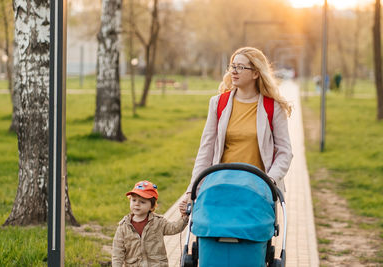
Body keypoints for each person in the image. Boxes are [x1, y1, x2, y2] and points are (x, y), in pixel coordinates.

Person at [183, 47, 293, 203]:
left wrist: (271, 180)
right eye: (232, 66)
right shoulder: (218, 103)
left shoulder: (273, 107)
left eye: (240, 67)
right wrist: (191, 191)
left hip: (259, 192)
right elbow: (206, 150)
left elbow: (285, 152)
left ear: (256, 73)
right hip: (222, 187)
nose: (233, 71)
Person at [112, 180, 188, 267]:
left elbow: (174, 228)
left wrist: (184, 217)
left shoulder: (158, 222)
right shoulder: (124, 226)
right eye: (134, 200)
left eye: (142, 202)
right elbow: (118, 251)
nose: (137, 204)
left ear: (152, 206)